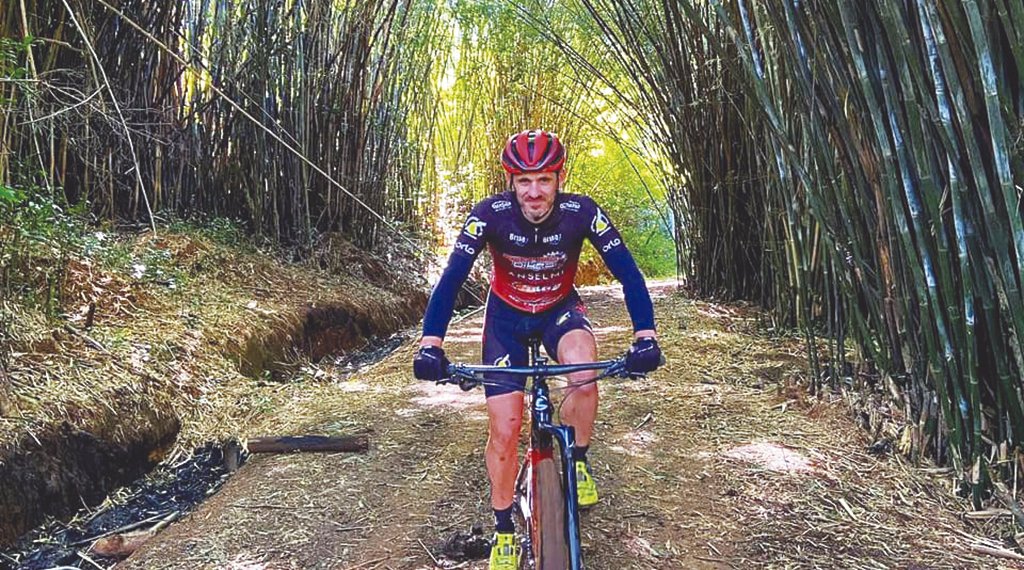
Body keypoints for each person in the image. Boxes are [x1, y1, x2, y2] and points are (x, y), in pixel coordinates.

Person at [412, 129, 662, 570]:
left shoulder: (582, 212)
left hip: (558, 311)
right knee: (505, 430)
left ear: (559, 178)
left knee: (583, 371)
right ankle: (504, 531)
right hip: (506, 319)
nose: (534, 192)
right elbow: (451, 278)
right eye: (524, 181)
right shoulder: (489, 214)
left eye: (544, 180)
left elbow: (629, 274)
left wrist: (646, 336)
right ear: (510, 181)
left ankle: (577, 460)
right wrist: (431, 344)